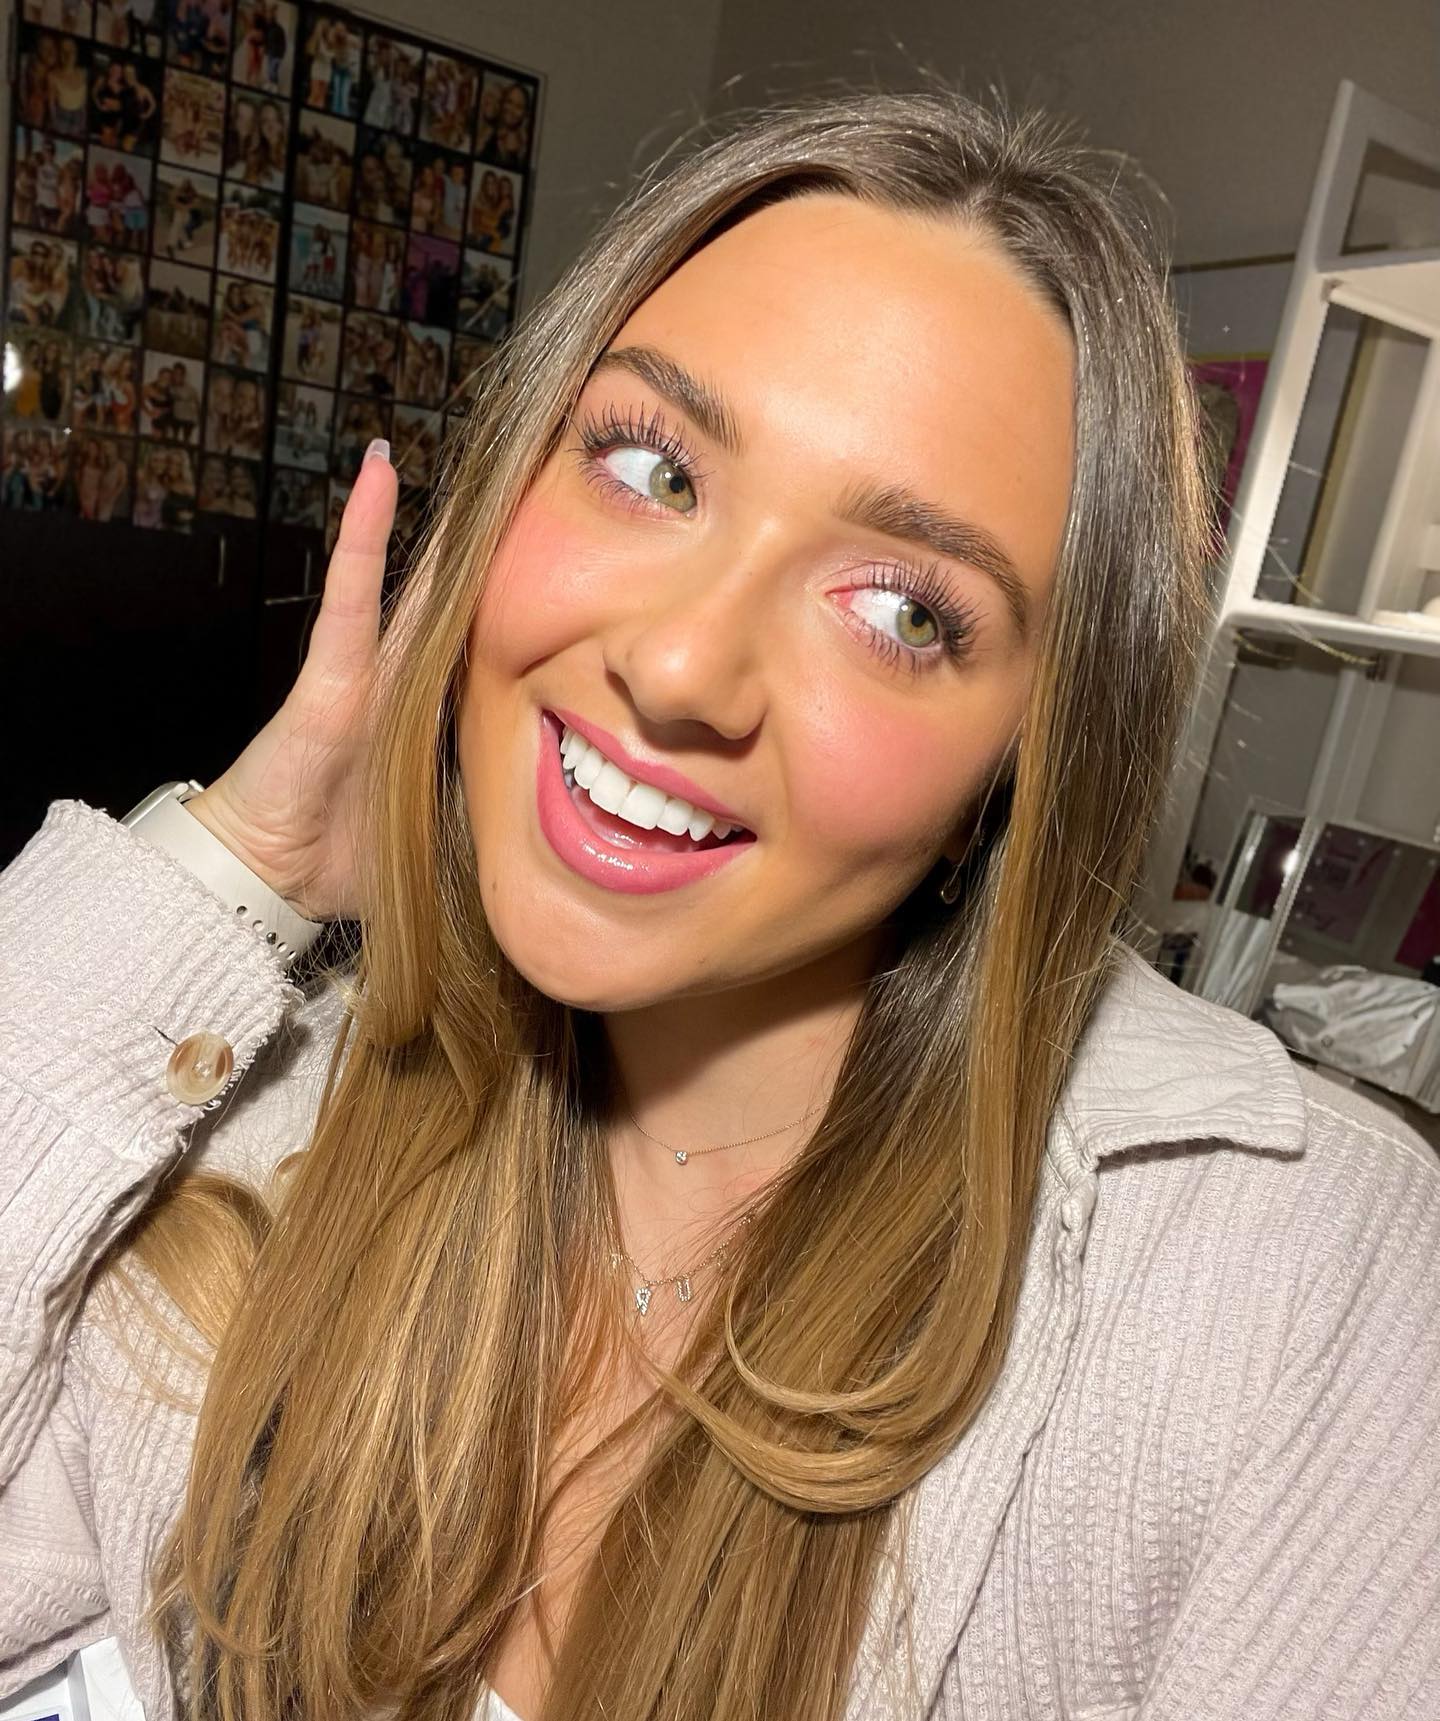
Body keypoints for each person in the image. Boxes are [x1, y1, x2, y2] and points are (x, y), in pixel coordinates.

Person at [1, 88, 1439, 1721]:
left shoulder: (1291, 1288)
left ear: (1019, 773)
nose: (682, 664)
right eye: (650, 465)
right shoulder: (272, 1114)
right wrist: (231, 864)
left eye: (903, 610)